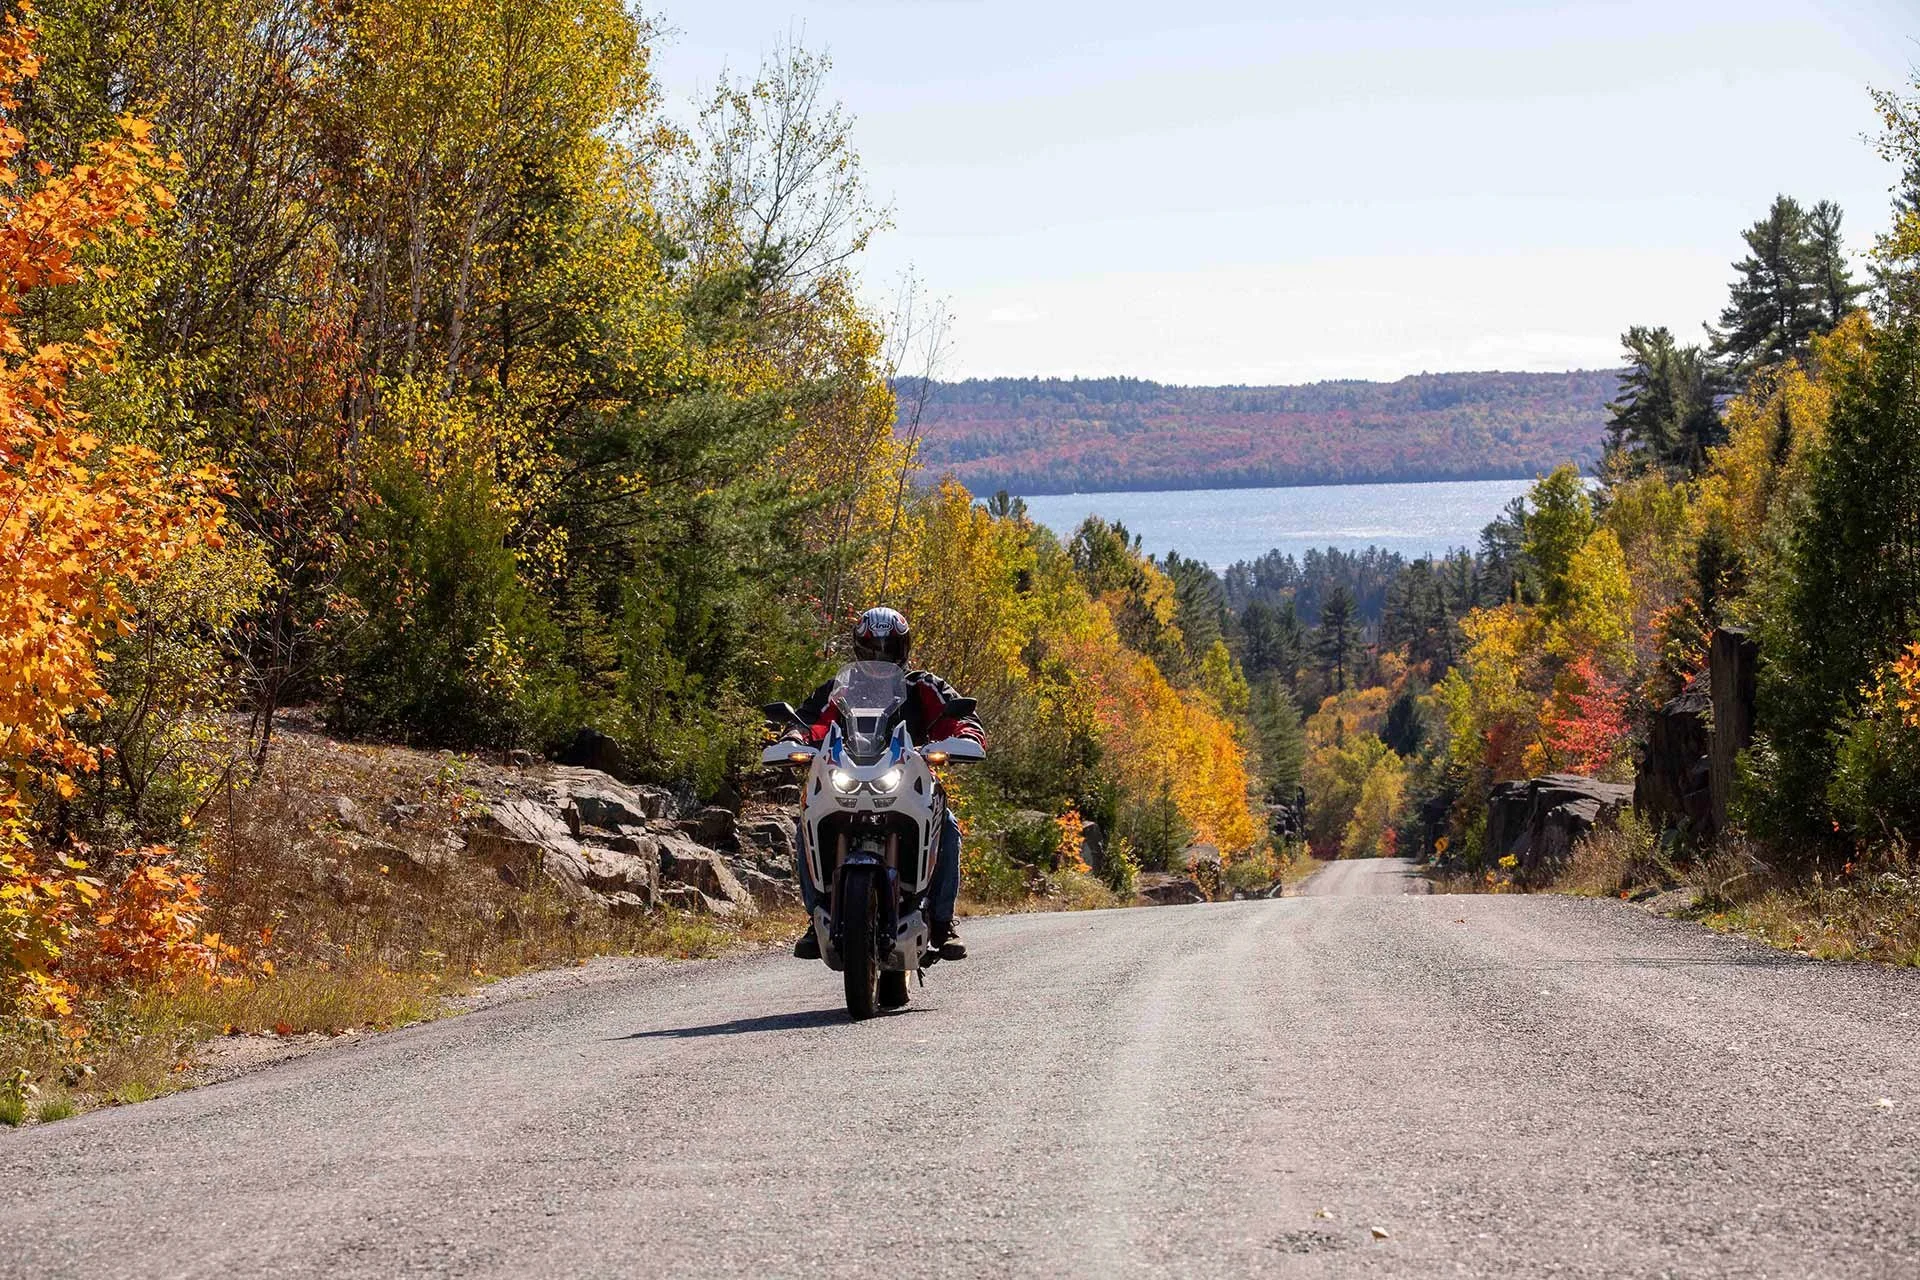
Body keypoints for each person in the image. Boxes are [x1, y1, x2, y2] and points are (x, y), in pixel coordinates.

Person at [785, 606, 983, 963]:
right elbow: (812, 720)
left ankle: (942, 923)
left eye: (889, 648)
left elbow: (958, 715)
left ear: (902, 649)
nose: (880, 656)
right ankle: (816, 916)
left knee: (948, 828)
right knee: (806, 823)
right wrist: (795, 737)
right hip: (845, 776)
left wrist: (964, 735)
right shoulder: (839, 688)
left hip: (909, 781)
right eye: (872, 648)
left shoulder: (922, 686)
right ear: (858, 649)